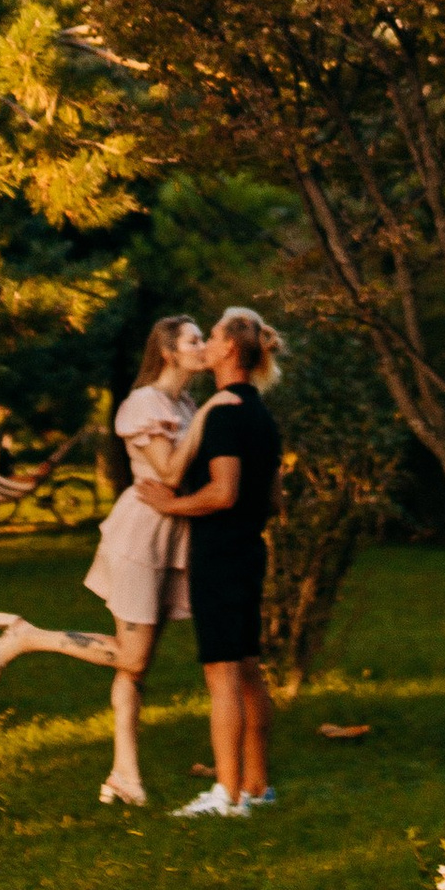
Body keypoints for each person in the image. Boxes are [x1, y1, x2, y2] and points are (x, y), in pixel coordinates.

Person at [0, 316, 207, 805]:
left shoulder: (185, 404)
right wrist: (212, 419)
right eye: (194, 340)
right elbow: (167, 471)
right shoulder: (145, 403)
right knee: (133, 655)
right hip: (142, 536)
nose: (203, 346)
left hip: (174, 536)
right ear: (168, 351)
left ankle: (124, 776)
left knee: (135, 667)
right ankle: (26, 637)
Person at [134, 305, 283, 821]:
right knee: (246, 669)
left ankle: (226, 795)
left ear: (227, 351)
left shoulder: (222, 413)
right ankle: (257, 786)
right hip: (249, 549)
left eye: (213, 335)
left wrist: (169, 504)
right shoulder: (258, 412)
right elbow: (269, 494)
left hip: (220, 554)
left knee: (221, 674)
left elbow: (223, 492)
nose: (205, 343)